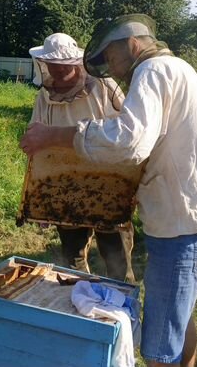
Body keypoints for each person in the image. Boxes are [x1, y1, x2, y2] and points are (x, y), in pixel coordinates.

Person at [20, 15, 197, 367]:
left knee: (159, 348)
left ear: (131, 45)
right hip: (192, 217)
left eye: (112, 58)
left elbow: (130, 141)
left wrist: (58, 136)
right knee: (180, 315)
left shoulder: (153, 72)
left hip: (183, 223)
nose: (113, 69)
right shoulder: (176, 69)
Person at [28, 32, 135, 283]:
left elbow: (129, 131)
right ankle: (81, 309)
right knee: (71, 260)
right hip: (65, 183)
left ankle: (121, 309)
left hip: (109, 182)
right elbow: (36, 143)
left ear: (75, 63)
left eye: (62, 65)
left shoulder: (104, 86)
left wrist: (132, 183)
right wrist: (39, 194)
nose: (56, 70)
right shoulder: (44, 97)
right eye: (51, 65)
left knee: (117, 259)